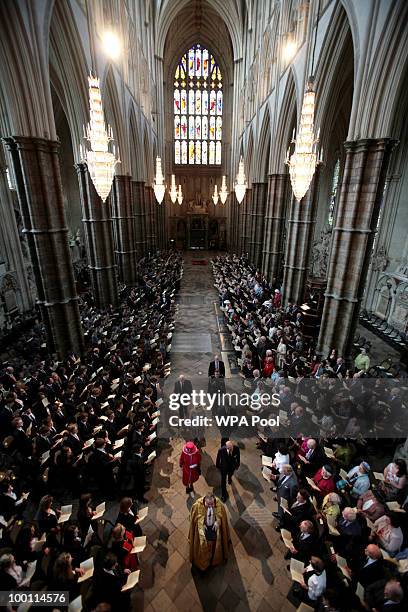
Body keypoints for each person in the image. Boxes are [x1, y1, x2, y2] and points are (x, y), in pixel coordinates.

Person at [189, 493, 230, 571]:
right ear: (204, 501)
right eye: (208, 504)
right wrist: (202, 524)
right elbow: (195, 518)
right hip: (204, 530)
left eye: (212, 504)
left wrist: (218, 522)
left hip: (214, 529)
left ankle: (213, 558)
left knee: (213, 545)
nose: (210, 506)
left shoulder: (219, 505)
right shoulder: (197, 506)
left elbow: (221, 515)